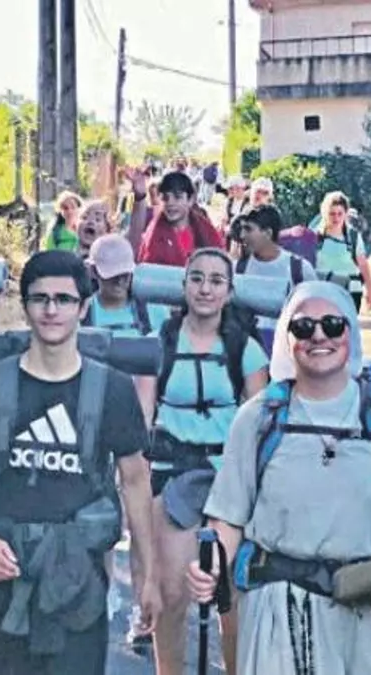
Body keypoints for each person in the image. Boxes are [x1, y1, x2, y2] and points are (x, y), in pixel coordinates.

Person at [188, 281, 371, 674]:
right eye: (303, 327)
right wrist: (212, 566)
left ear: (350, 333)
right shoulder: (258, 418)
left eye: (332, 324)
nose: (319, 336)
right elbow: (228, 515)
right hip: (279, 616)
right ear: (287, 339)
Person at [0, 250, 161, 675]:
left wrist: (146, 576)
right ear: (25, 306)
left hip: (79, 584)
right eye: (40, 298)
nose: (51, 310)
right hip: (4, 574)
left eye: (64, 299)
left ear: (83, 307)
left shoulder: (113, 390)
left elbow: (135, 483)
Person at [135, 248, 270, 675]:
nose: (205, 288)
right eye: (196, 278)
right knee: (171, 594)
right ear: (183, 286)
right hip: (173, 473)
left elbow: (260, 422)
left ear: (229, 291)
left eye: (215, 280)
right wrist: (136, 480)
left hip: (228, 478)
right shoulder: (159, 343)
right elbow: (142, 419)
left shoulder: (245, 349)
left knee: (232, 597)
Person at [233, 204, 318, 353]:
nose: (242, 235)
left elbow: (315, 313)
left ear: (267, 233)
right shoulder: (237, 268)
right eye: (242, 229)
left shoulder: (299, 269)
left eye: (248, 229)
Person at [83, 233, 169, 338]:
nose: (119, 281)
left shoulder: (155, 310)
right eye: (112, 276)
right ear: (93, 271)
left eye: (125, 275)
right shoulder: (82, 313)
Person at [132, 171, 225, 267]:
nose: (170, 203)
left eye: (177, 197)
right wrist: (139, 197)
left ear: (191, 200)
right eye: (166, 198)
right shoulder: (153, 233)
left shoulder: (207, 233)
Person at [314, 191, 371, 313]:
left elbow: (363, 264)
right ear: (324, 213)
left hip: (350, 292)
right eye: (332, 214)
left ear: (346, 214)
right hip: (323, 292)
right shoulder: (315, 237)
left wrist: (370, 292)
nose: (336, 218)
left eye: (339, 214)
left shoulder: (353, 237)